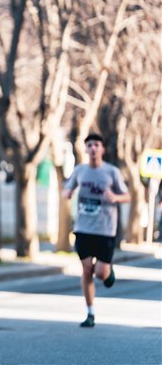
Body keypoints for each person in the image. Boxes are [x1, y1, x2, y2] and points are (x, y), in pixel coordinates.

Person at [63, 133, 130, 328]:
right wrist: (67, 192)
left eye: (96, 145)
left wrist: (115, 198)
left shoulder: (112, 172)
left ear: (102, 149)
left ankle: (107, 272)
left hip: (105, 229)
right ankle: (90, 313)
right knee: (86, 269)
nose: (93, 148)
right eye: (90, 145)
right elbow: (67, 188)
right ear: (85, 149)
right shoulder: (80, 171)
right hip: (83, 228)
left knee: (100, 273)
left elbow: (127, 196)